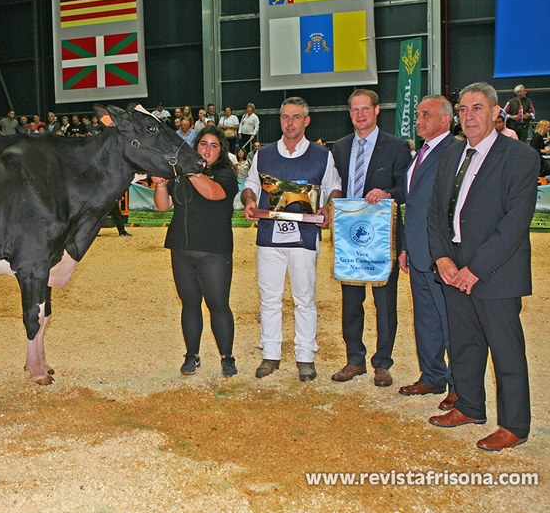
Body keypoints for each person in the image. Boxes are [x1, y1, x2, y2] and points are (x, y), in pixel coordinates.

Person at [426, 82, 539, 452]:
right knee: (464, 344)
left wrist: (474, 269)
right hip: (453, 268)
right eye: (462, 109)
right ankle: (470, 406)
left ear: (495, 113)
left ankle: (514, 425)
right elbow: (435, 212)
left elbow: (514, 224)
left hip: (495, 273)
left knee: (506, 351)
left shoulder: (520, 157)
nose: (468, 116)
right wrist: (443, 258)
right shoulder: (451, 154)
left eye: (477, 108)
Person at [241, 97, 342, 381]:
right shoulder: (264, 153)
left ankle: (305, 356)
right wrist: (249, 201)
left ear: (306, 121)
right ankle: (270, 354)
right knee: (269, 299)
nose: (290, 123)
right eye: (285, 117)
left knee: (305, 299)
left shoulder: (323, 155)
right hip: (269, 238)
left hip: (305, 238)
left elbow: (334, 187)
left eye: (296, 117)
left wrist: (327, 208)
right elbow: (249, 186)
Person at [331, 89, 412, 388]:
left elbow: (406, 188)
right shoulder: (339, 147)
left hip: (383, 237)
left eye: (366, 109)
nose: (360, 114)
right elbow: (334, 185)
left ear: (377, 111)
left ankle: (383, 363)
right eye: (355, 110)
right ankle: (355, 359)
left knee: (385, 302)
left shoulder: (397, 146)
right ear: (349, 113)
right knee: (351, 301)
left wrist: (387, 194)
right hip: (349, 235)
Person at [152, 125, 239, 377]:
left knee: (218, 305)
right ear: (195, 147)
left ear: (221, 151)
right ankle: (192, 355)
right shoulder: (180, 175)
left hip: (214, 250)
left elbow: (213, 193)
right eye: (203, 144)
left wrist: (189, 169)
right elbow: (163, 206)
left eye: (214, 145)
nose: (207, 149)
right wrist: (160, 184)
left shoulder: (225, 174)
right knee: (189, 304)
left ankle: (227, 356)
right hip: (181, 247)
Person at [397, 96, 457, 411]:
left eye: (425, 114)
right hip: (418, 251)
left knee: (451, 322)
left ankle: (461, 386)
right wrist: (406, 245)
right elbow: (414, 204)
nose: (418, 119)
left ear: (445, 119)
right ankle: (432, 376)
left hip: (442, 255)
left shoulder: (455, 152)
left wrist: (444, 251)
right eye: (418, 114)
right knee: (427, 319)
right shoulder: (421, 152)